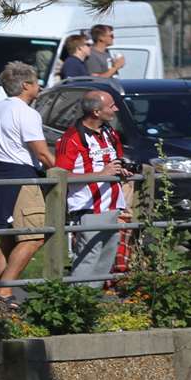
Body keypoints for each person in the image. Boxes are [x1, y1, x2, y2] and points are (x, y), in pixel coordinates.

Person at [0, 61, 56, 301]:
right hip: (21, 176)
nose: (39, 87)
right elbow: (42, 153)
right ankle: (2, 291)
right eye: (36, 82)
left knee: (7, 240)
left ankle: (4, 293)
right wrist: (64, 172)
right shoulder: (26, 112)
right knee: (35, 236)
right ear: (26, 85)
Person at [53, 90, 135, 287]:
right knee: (89, 255)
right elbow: (60, 176)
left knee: (107, 256)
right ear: (96, 112)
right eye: (111, 106)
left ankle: (92, 303)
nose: (116, 109)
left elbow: (114, 161)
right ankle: (76, 302)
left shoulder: (109, 132)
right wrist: (101, 175)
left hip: (112, 204)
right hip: (89, 207)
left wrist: (122, 169)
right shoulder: (71, 138)